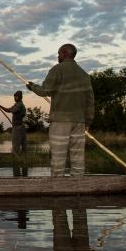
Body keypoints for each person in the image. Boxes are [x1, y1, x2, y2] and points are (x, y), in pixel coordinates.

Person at [27, 43, 94, 177]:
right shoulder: (84, 75)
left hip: (61, 121)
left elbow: (45, 91)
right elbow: (90, 101)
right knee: (78, 157)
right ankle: (78, 185)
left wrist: (32, 87)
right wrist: (88, 122)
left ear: (64, 53)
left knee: (58, 156)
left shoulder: (57, 69)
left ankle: (58, 185)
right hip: (79, 122)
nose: (58, 57)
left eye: (58, 54)